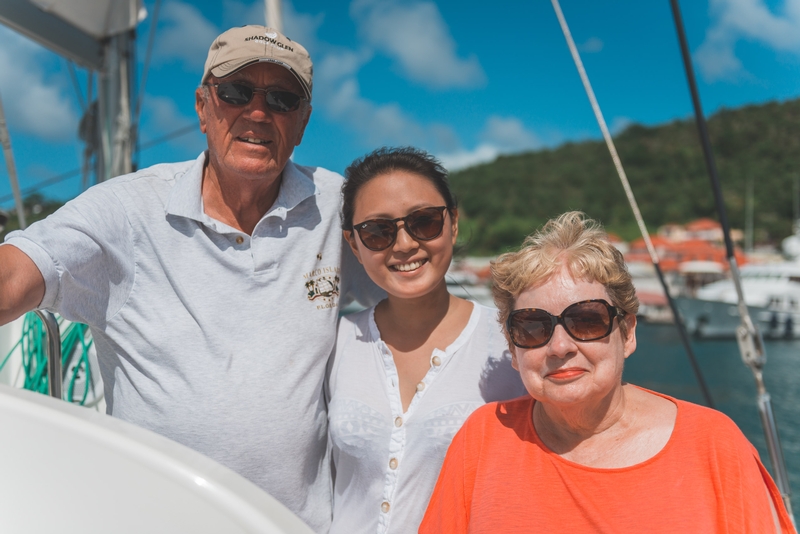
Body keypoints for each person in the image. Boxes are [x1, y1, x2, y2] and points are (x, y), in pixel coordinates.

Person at [0, 25, 380, 531]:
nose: (259, 112)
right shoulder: (127, 210)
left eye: (282, 99)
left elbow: (420, 286)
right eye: (237, 92)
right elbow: (12, 277)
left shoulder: (337, 207)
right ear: (203, 107)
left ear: (303, 121)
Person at [420, 211, 794, 533]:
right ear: (514, 349)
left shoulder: (714, 446)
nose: (560, 346)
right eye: (533, 327)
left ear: (627, 333)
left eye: (586, 320)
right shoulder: (482, 441)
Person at [326, 147, 526, 534]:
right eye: (378, 231)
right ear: (354, 244)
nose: (403, 244)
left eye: (424, 222)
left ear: (452, 222)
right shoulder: (337, 343)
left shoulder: (510, 346)